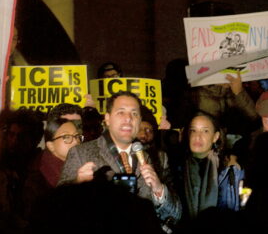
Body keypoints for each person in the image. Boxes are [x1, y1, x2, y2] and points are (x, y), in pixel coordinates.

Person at [58, 91, 181, 225]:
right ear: (107, 119)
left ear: (139, 120)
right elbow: (58, 210)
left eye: (134, 114)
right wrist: (77, 185)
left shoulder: (159, 158)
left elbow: (176, 215)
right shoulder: (81, 153)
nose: (128, 118)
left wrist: (159, 191)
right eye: (121, 112)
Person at [171, 111, 244, 221]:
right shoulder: (176, 167)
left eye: (205, 131)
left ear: (215, 137)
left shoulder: (230, 168)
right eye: (193, 130)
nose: (198, 136)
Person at [18, 117, 82, 218]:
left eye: (77, 136)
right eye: (66, 137)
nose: (75, 141)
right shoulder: (37, 181)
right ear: (51, 146)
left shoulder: (83, 166)